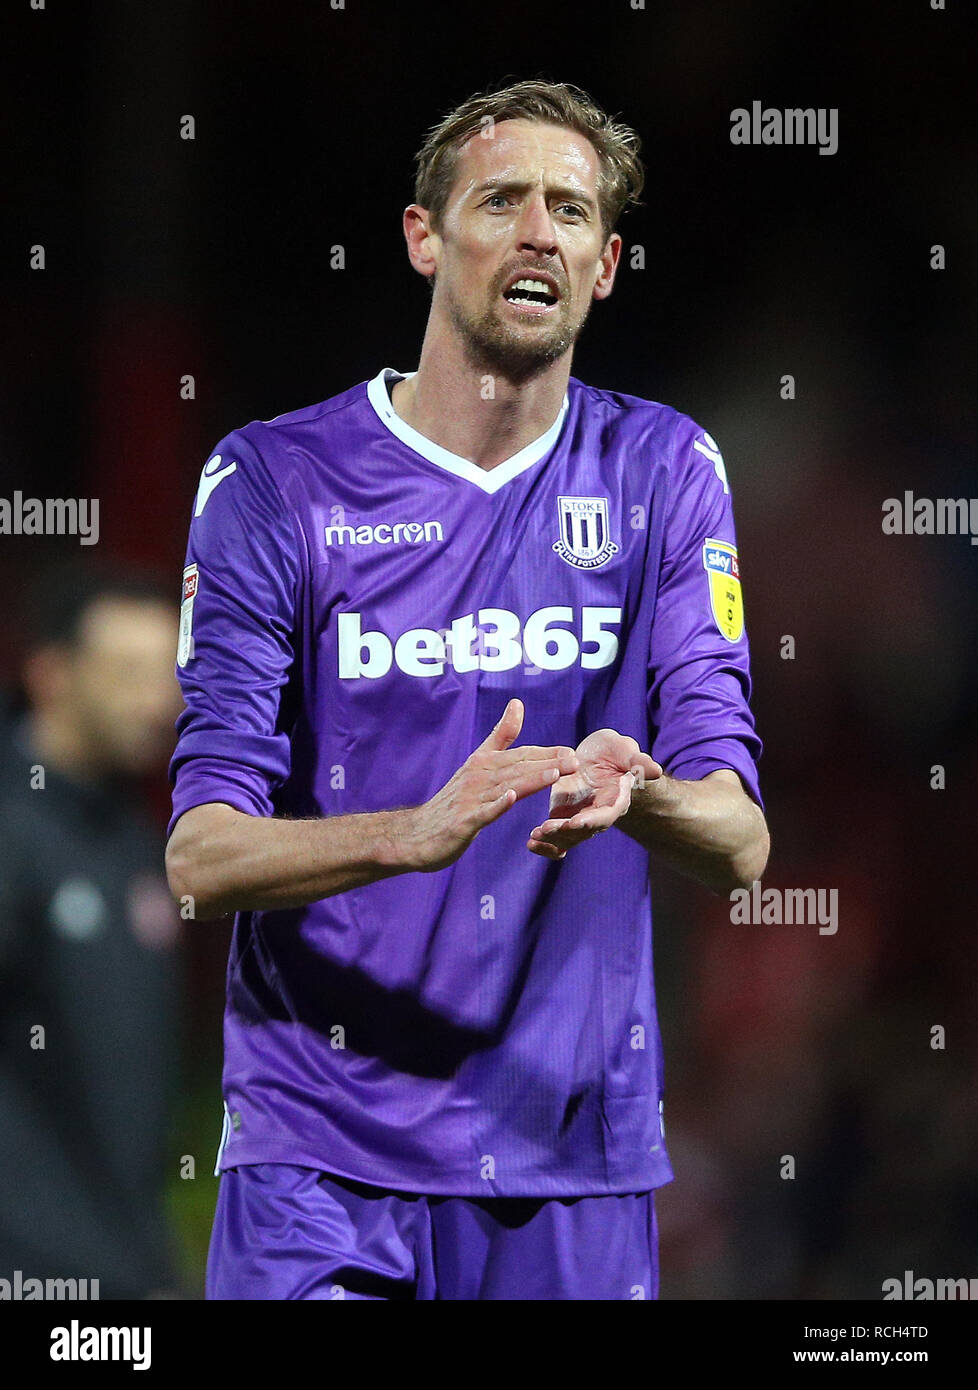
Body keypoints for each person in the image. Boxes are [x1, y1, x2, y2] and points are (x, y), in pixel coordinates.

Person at [166, 79, 769, 1301]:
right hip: (319, 1157)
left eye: (571, 210)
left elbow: (742, 840)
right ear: (424, 237)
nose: (540, 230)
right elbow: (200, 856)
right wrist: (410, 833)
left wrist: (638, 797)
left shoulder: (663, 469)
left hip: (567, 1154)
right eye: (502, 201)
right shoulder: (276, 481)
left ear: (606, 266)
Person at [0, 564, 183, 1299]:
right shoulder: (13, 831)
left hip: (127, 1266)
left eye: (166, 673)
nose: (159, 701)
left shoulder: (135, 837)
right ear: (51, 675)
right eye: (128, 672)